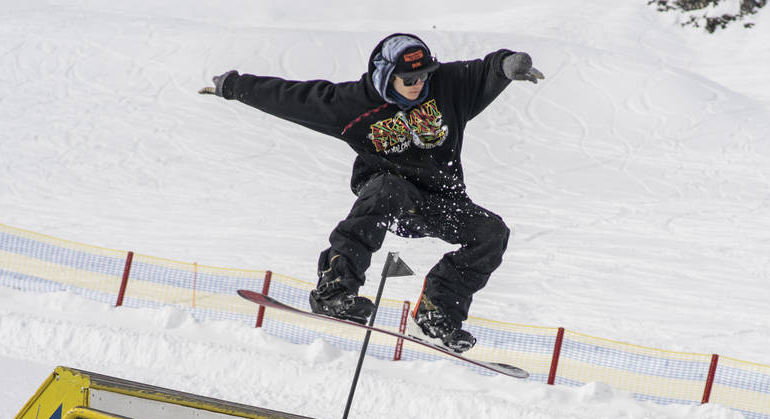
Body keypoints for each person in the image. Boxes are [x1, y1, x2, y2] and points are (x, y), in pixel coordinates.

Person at [200, 34, 544, 353]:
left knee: (491, 233)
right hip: (389, 198)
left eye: (424, 75)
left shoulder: (449, 86)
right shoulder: (353, 105)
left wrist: (505, 65)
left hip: (442, 202)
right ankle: (334, 289)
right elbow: (292, 98)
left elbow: (483, 71)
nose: (419, 84)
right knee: (388, 186)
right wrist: (233, 85)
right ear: (386, 76)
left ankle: (435, 316)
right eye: (409, 80)